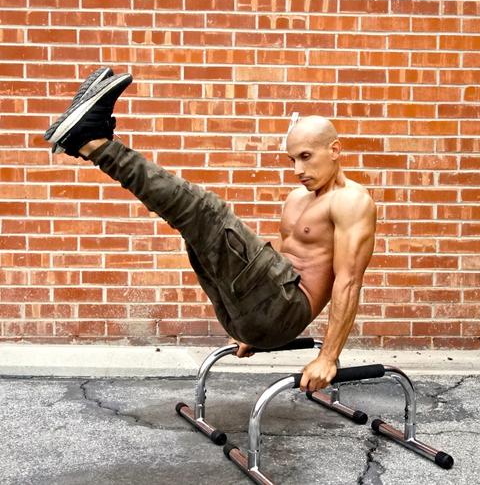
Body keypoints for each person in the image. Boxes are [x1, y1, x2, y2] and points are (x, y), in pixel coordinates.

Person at [44, 68, 376, 393]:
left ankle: (93, 142)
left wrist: (327, 358)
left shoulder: (351, 201)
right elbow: (275, 267)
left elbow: (349, 282)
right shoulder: (298, 198)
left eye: (306, 157)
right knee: (194, 227)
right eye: (292, 160)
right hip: (245, 315)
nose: (298, 170)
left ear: (335, 150)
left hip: (286, 312)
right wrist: (250, 323)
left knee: (205, 211)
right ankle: (90, 143)